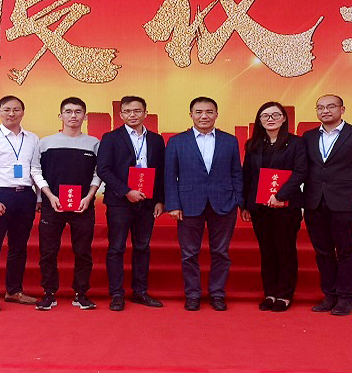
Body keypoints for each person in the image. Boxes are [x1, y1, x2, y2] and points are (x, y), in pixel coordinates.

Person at [301, 94, 352, 316]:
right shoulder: (308, 137)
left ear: (342, 109)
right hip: (315, 202)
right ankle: (330, 294)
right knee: (322, 251)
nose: (325, 111)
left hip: (345, 203)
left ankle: (346, 297)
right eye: (320, 107)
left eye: (331, 106)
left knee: (345, 251)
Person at [164, 97, 244, 311]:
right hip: (188, 204)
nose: (204, 116)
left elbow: (236, 173)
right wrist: (173, 204)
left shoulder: (230, 141)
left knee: (221, 252)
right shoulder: (177, 142)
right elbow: (170, 176)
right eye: (199, 112)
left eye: (209, 112)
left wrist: (239, 201)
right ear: (191, 114)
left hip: (224, 203)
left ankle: (217, 294)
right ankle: (193, 294)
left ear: (216, 114)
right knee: (189, 253)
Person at [0, 95, 46, 312]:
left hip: (25, 197)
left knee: (19, 247)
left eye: (16, 109)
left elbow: (36, 169)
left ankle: (14, 290)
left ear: (23, 112)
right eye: (6, 109)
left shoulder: (33, 138)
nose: (11, 114)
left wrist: (38, 198)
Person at [96, 96, 165, 311]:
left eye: (137, 111)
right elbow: (103, 169)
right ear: (121, 114)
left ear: (145, 113)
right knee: (116, 248)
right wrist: (127, 191)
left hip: (147, 202)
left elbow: (161, 171)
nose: (132, 115)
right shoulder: (110, 138)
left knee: (142, 247)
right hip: (119, 202)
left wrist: (160, 200)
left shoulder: (156, 140)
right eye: (127, 111)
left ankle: (140, 292)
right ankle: (117, 294)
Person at [35, 97, 102, 311]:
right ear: (60, 115)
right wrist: (48, 195)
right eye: (68, 111)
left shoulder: (94, 143)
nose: (73, 116)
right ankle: (48, 293)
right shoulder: (45, 143)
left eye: (78, 112)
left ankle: (81, 293)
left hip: (83, 205)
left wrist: (89, 197)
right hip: (52, 204)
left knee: (83, 251)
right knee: (48, 251)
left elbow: (98, 173)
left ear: (85, 116)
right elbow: (35, 171)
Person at [241, 102, 308, 312]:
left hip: (286, 207)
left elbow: (300, 172)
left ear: (284, 118)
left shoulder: (296, 143)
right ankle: (270, 293)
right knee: (267, 250)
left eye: (275, 115)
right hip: (259, 208)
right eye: (265, 116)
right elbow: (247, 175)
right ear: (259, 120)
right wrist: (245, 205)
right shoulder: (253, 145)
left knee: (285, 249)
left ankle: (284, 294)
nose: (270, 119)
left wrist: (280, 196)